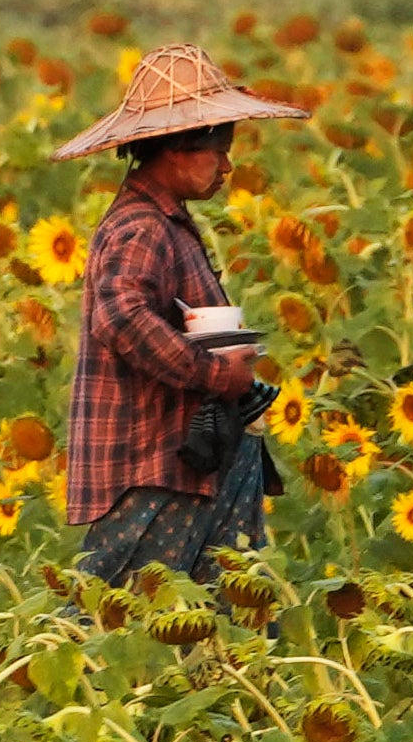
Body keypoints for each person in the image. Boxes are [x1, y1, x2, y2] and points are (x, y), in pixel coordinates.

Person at [54, 44, 309, 592]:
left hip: (193, 467)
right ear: (174, 148)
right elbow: (120, 316)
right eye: (218, 150)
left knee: (228, 620)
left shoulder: (167, 224)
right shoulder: (142, 228)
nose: (227, 166)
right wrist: (219, 374)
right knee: (116, 626)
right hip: (156, 467)